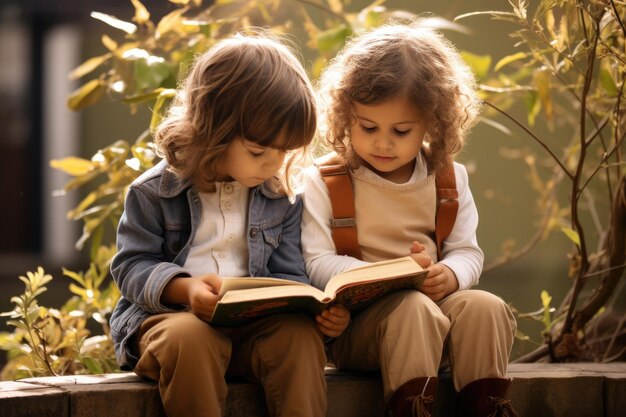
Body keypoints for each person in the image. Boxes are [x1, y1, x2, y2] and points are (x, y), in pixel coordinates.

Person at [109, 33, 333, 417]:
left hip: (251, 331)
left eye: (284, 151)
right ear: (215, 131)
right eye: (259, 151)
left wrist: (315, 308)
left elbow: (289, 274)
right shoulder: (153, 192)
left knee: (298, 337)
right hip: (169, 324)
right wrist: (185, 288)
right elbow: (131, 266)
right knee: (192, 339)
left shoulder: (281, 194)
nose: (273, 164)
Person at [301, 22, 518, 417]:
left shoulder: (449, 178)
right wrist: (393, 274)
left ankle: (487, 407)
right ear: (345, 114)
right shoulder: (326, 180)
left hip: (437, 321)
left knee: (486, 306)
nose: (383, 142)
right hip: (360, 330)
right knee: (411, 308)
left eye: (401, 131)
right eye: (368, 127)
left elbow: (467, 253)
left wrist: (448, 276)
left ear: (432, 123)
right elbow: (316, 262)